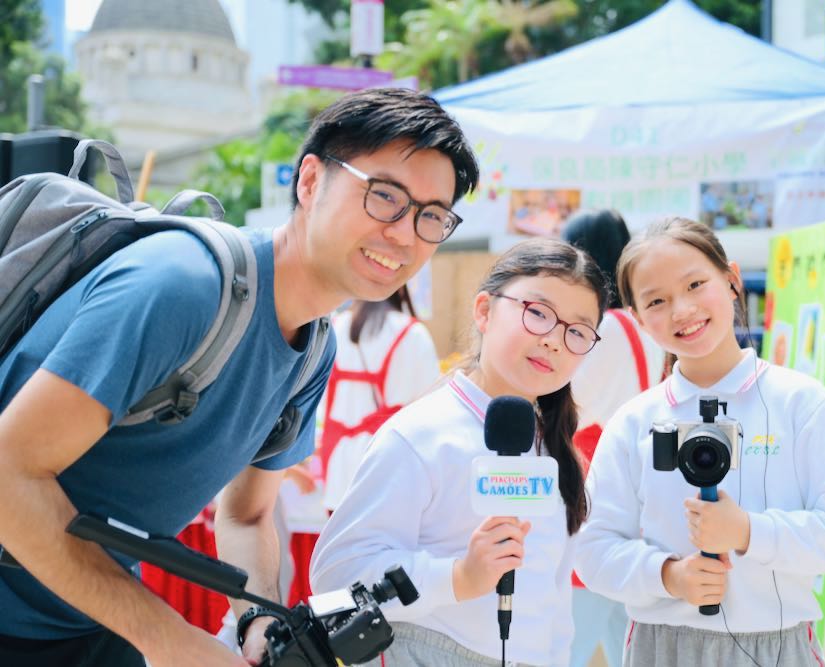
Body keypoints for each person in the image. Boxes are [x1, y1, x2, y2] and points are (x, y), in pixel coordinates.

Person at [0, 88, 478, 667]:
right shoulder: (182, 287)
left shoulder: (312, 347)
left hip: (84, 621)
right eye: (384, 197)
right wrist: (168, 636)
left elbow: (247, 514)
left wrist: (262, 619)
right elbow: (9, 473)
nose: (405, 234)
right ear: (309, 181)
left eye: (432, 217)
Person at [574, 217, 825, 666]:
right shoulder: (634, 421)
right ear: (636, 318)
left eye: (695, 284)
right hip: (662, 647)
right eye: (657, 300)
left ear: (731, 281)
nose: (682, 310)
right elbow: (592, 551)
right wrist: (669, 576)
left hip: (777, 645)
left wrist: (749, 531)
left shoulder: (799, 402)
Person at [310, 238, 610, 666]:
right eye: (538, 313)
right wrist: (457, 577)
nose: (554, 341)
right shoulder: (420, 436)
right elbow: (337, 573)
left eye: (577, 331)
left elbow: (554, 601)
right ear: (485, 311)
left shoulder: (555, 454)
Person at [284, 285, 440, 605]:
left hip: (339, 463)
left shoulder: (334, 327)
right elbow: (431, 415)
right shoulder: (411, 334)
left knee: (340, 568)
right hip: (389, 468)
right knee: (385, 574)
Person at [560, 209, 664, 667]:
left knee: (567, 641)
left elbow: (570, 411)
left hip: (589, 486)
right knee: (625, 635)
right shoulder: (642, 324)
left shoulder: (600, 330)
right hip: (630, 487)